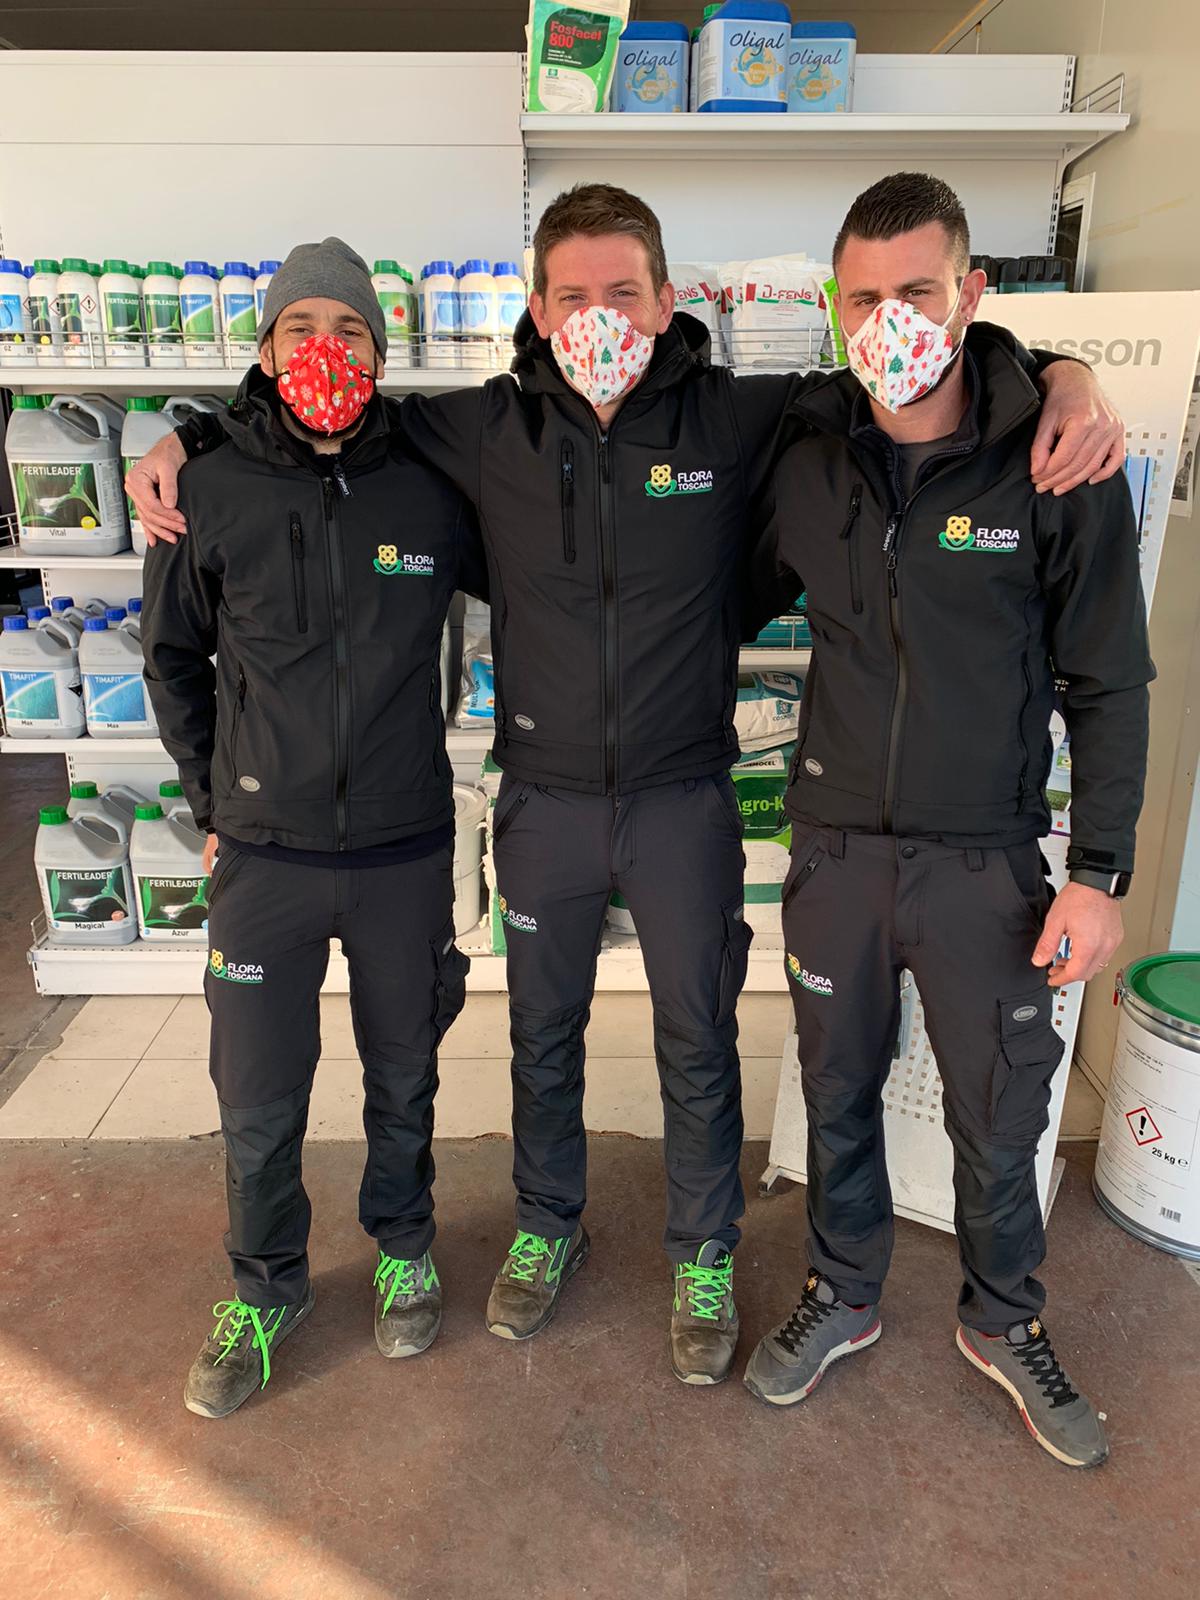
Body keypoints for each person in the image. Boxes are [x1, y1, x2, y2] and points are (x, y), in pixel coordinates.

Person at [128, 183, 1124, 1388]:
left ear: (664, 301)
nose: (597, 317)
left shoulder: (743, 416)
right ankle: (549, 1224)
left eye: (622, 292)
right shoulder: (479, 429)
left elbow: (922, 383)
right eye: (572, 296)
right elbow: (318, 428)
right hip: (542, 802)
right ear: (537, 309)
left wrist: (1065, 376)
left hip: (682, 799)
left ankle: (703, 1252)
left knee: (698, 1036)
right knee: (541, 1035)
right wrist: (184, 439)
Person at [740, 173, 1153, 1467]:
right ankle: (843, 1290)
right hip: (837, 855)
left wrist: (1098, 871)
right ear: (835, 305)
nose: (890, 322)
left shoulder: (1057, 460)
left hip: (987, 863)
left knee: (999, 1107)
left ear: (970, 294)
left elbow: (1109, 678)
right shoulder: (805, 458)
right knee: (837, 1089)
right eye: (863, 299)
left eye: (915, 292)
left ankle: (1003, 1316)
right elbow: (704, 596)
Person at [141, 238, 485, 1418]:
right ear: (267, 346)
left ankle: (403, 1245)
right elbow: (173, 659)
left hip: (402, 846)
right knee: (257, 1093)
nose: (324, 348)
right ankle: (265, 1285)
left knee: (405, 1070)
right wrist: (213, 803)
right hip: (265, 859)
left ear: (380, 353)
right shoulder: (208, 489)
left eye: (348, 329)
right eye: (301, 327)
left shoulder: (431, 485)